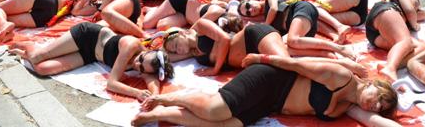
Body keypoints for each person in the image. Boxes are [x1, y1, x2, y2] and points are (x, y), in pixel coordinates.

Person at [132, 55, 397, 127]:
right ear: (375, 84)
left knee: (225, 126)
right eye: (379, 99)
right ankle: (168, 97)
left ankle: (159, 114)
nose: (375, 106)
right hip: (270, 79)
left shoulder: (348, 106)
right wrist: (262, 58)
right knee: (215, 110)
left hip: (271, 103)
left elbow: (377, 122)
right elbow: (294, 63)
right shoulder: (341, 77)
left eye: (380, 108)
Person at [10, 23, 174, 101]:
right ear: (148, 51)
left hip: (90, 55)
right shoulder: (131, 46)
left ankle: (28, 53)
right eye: (141, 60)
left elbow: (154, 84)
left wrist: (155, 98)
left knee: (43, 69)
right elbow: (112, 84)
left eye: (141, 69)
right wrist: (137, 93)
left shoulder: (148, 66)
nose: (137, 65)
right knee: (38, 57)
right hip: (87, 36)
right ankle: (26, 45)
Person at [240, 0, 354, 59]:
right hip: (302, 27)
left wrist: (265, 25)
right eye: (248, 13)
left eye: (248, 6)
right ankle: (323, 53)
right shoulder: (265, 19)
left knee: (292, 39)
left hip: (299, 10)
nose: (251, 10)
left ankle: (337, 48)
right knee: (282, 48)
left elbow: (275, 8)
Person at [365, 0, 425, 81]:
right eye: (416, 2)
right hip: (385, 12)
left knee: (424, 48)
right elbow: (410, 10)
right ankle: (390, 68)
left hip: (376, 36)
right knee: (406, 41)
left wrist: (418, 12)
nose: (417, 6)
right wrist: (415, 25)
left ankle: (393, 65)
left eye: (418, 8)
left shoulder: (409, 16)